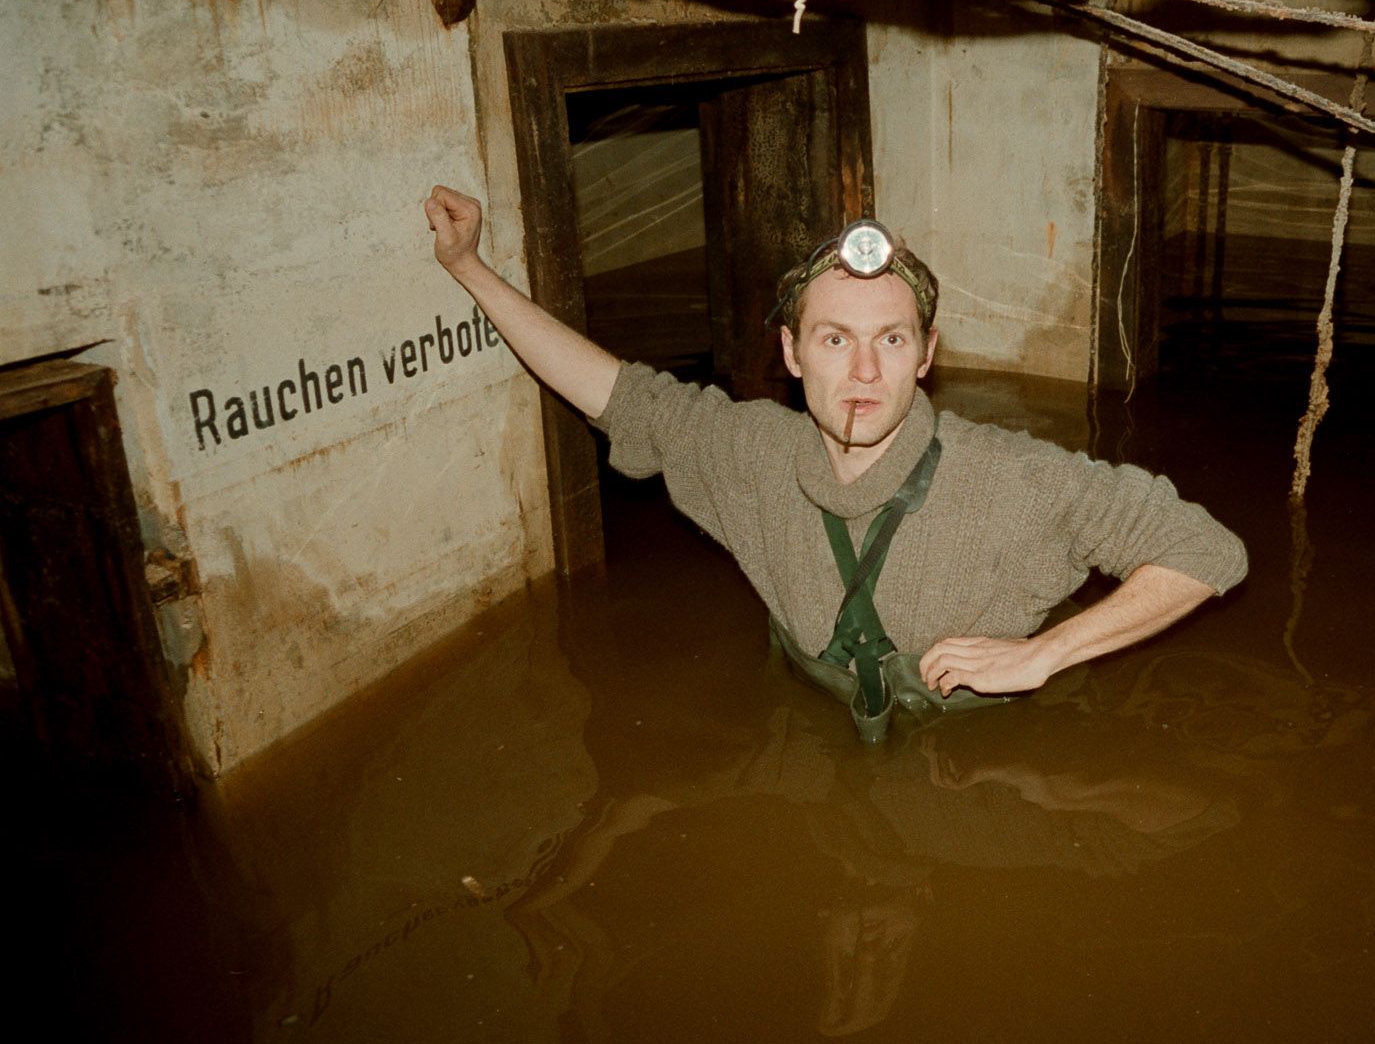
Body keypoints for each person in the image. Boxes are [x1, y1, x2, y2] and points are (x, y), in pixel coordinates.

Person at [422, 184, 1247, 740]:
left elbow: (1207, 552)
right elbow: (611, 392)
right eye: (834, 339)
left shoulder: (1019, 481)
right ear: (790, 352)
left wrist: (1045, 653)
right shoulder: (747, 454)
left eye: (890, 340)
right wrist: (467, 267)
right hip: (806, 738)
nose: (863, 373)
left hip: (989, 759)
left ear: (926, 354)